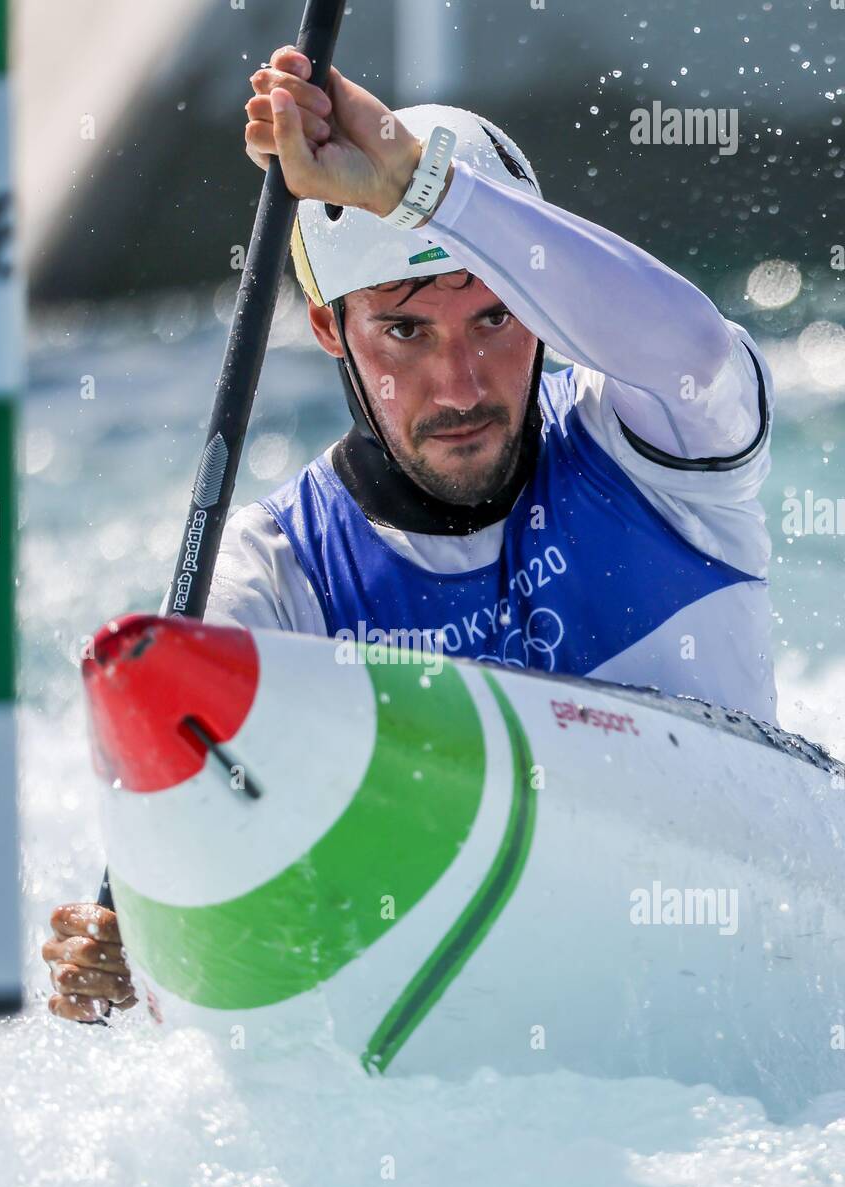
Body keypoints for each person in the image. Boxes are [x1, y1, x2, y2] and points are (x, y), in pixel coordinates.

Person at [45, 44, 776, 1021]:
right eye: (405, 332)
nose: (463, 384)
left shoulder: (660, 451)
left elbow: (696, 352)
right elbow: (198, 770)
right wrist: (154, 928)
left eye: (493, 317)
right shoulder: (279, 573)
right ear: (329, 330)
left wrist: (417, 184)